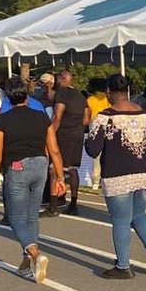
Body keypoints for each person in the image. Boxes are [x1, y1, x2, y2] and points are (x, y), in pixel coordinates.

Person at [84, 74, 146, 279]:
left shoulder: (105, 117)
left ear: (108, 92)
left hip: (117, 173)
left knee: (120, 220)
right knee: (139, 214)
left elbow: (93, 149)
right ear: (127, 90)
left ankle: (123, 266)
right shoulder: (144, 114)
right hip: (144, 170)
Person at [0, 77, 65, 282]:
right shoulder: (41, 117)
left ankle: (36, 254)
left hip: (17, 167)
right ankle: (26, 262)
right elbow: (54, 150)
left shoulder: (3, 120)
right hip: (40, 165)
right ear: (26, 94)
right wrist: (59, 176)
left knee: (15, 218)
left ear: (7, 97)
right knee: (31, 217)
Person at [48, 70, 90, 216]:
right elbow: (86, 119)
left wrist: (49, 135)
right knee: (72, 169)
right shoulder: (80, 95)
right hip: (77, 134)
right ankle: (73, 203)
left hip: (64, 135)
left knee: (54, 168)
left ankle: (53, 206)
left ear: (62, 79)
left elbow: (57, 117)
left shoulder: (61, 94)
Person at [84, 78, 110, 191]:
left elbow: (86, 118)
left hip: (94, 124)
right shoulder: (109, 99)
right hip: (109, 124)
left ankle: (95, 181)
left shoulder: (90, 100)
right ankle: (107, 179)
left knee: (96, 156)